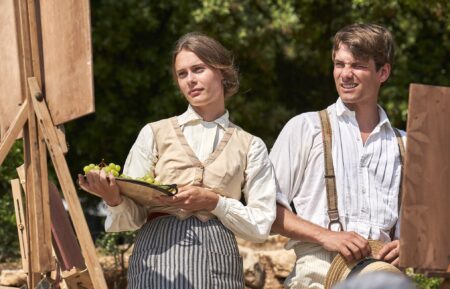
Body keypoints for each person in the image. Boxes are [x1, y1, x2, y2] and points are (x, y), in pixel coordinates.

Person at [78, 32, 277, 289]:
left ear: (222, 73)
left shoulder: (251, 145)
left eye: (198, 69)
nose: (190, 80)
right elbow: (132, 217)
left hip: (218, 265)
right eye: (182, 74)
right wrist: (113, 198)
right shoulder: (154, 133)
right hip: (156, 262)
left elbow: (260, 226)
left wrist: (214, 202)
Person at [270, 23, 406, 289]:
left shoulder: (405, 145)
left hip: (383, 275)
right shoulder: (306, 128)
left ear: (383, 72)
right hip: (317, 274)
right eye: (339, 64)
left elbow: (425, 229)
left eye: (357, 65)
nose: (345, 74)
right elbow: (263, 208)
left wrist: (409, 246)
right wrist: (326, 236)